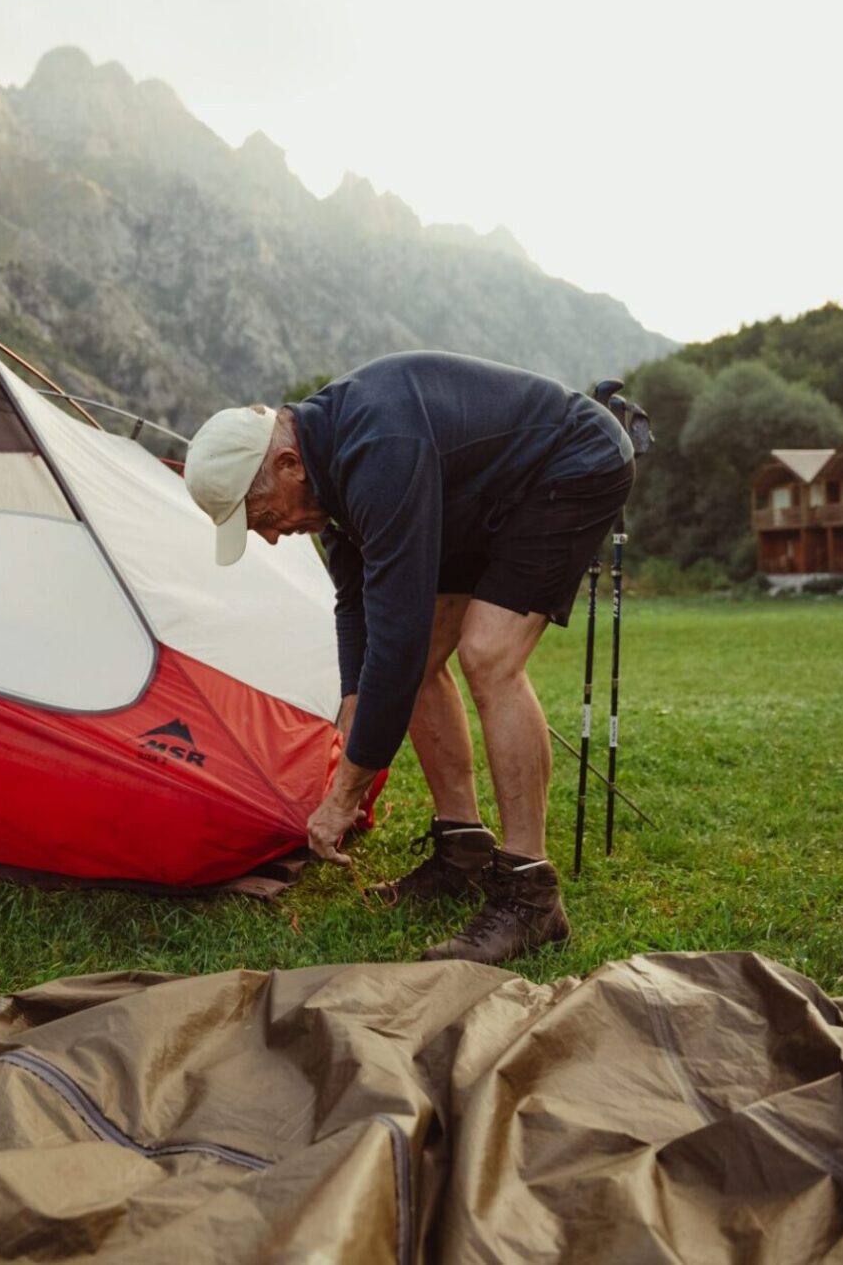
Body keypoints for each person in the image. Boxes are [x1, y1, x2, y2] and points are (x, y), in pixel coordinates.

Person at [183, 352, 633, 964]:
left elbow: (393, 641)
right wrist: (351, 709)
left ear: (287, 465)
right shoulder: (326, 471)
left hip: (569, 463)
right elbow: (354, 606)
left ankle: (531, 896)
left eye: (263, 517)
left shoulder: (377, 451)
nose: (268, 535)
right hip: (481, 496)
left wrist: (344, 795)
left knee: (488, 655)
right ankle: (463, 852)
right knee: (421, 662)